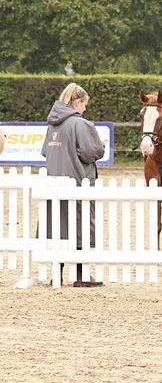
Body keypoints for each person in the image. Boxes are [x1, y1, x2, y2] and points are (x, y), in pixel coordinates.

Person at [42, 82, 106, 287]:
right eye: (84, 104)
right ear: (77, 102)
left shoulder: (52, 124)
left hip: (55, 182)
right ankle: (81, 274)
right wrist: (101, 146)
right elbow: (92, 152)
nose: (85, 108)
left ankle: (57, 274)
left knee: (58, 227)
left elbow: (45, 152)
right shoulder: (80, 124)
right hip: (77, 182)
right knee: (80, 227)